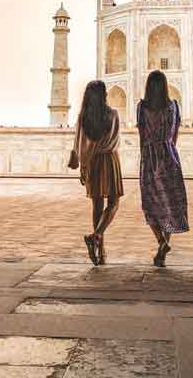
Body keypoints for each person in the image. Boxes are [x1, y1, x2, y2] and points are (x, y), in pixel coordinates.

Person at [137, 70, 188, 267]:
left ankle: (161, 243)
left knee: (151, 205)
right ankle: (163, 250)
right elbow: (175, 134)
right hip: (169, 156)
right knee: (170, 204)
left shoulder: (142, 107)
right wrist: (168, 147)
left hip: (149, 158)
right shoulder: (173, 106)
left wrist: (148, 154)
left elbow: (142, 136)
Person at [69, 80, 123, 265]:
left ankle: (100, 252)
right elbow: (115, 140)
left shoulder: (83, 118)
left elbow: (79, 144)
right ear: (104, 95)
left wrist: (84, 166)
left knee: (97, 206)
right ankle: (97, 235)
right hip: (109, 160)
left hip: (92, 162)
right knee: (114, 203)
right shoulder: (113, 115)